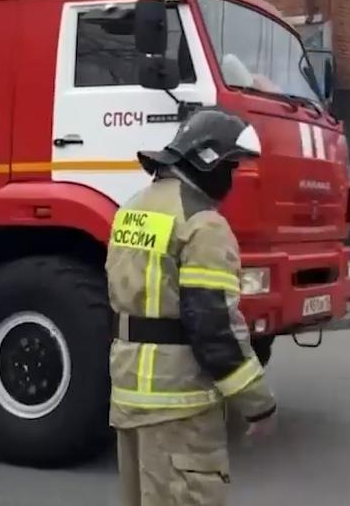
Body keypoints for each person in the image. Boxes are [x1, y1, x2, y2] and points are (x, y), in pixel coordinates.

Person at [107, 107, 277, 506]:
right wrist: (258, 404)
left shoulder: (131, 208)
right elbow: (213, 326)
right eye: (231, 167)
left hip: (130, 399)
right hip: (178, 408)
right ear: (208, 160)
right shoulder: (203, 224)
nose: (233, 179)